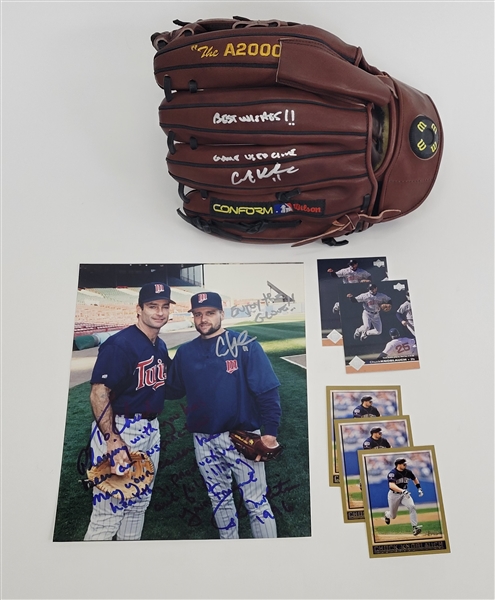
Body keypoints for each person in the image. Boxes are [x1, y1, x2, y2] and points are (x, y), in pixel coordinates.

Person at [165, 291, 281, 539]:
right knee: (218, 499)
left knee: (255, 501)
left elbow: (267, 391)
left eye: (209, 313)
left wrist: (270, 434)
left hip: (242, 437)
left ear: (222, 314)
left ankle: (270, 557)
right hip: (203, 440)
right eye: (197, 314)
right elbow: (172, 389)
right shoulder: (185, 353)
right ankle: (229, 553)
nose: (203, 319)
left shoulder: (246, 345)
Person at [83, 282, 175, 541]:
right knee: (108, 511)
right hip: (120, 428)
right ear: (139, 309)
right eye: (152, 306)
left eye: (164, 307)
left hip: (150, 429)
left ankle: (126, 568)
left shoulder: (160, 344)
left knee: (138, 505)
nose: (159, 312)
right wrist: (112, 440)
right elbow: (99, 393)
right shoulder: (120, 344)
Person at [384, 457, 424, 536]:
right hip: (394, 495)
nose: (405, 465)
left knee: (412, 506)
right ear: (398, 465)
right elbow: (391, 485)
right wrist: (402, 490)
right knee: (393, 516)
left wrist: (419, 488)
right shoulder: (393, 473)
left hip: (404, 494)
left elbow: (414, 478)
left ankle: (415, 527)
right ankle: (387, 514)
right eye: (404, 464)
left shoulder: (407, 472)